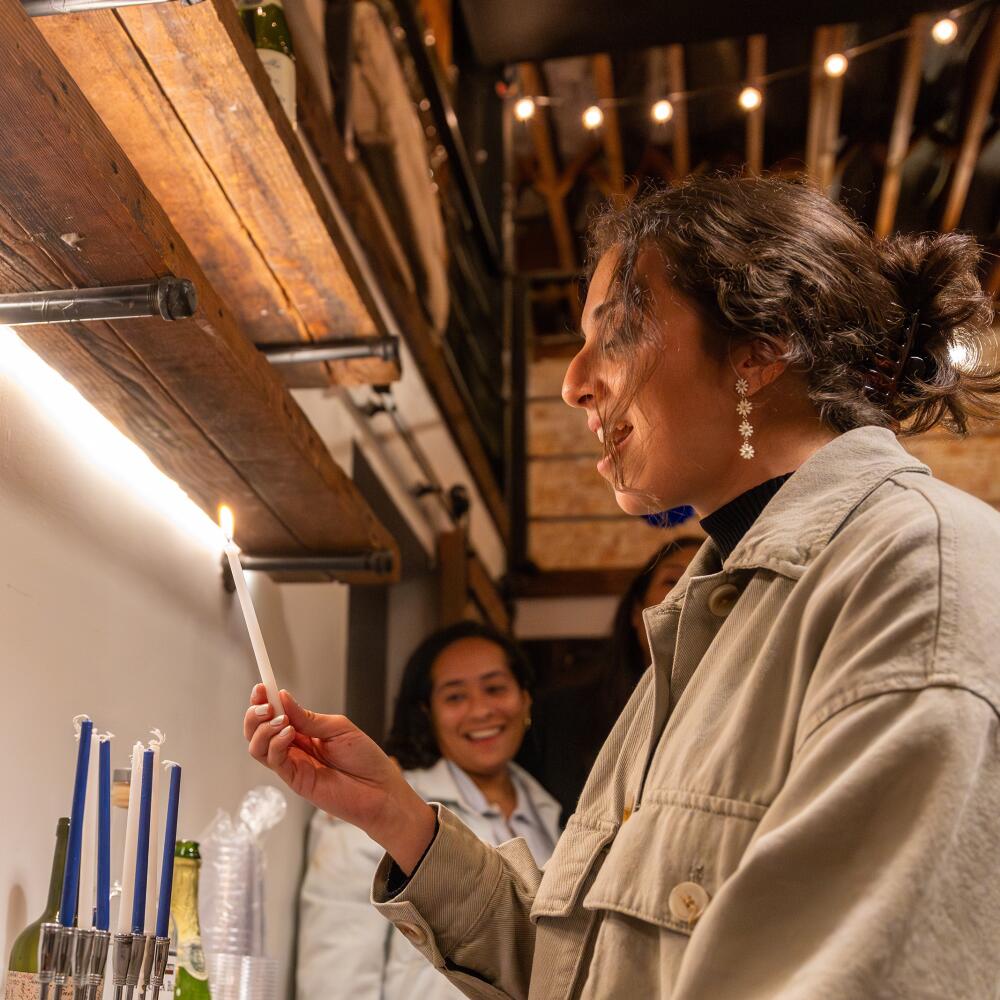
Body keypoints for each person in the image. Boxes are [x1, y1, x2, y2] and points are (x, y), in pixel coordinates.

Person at [245, 174, 1000, 999]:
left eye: (617, 332)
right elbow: (587, 974)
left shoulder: (912, 569)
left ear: (762, 344)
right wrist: (401, 820)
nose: (573, 381)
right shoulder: (706, 625)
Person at [295, 620, 560, 1000]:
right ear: (427, 712)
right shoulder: (378, 806)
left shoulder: (556, 816)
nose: (481, 710)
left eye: (495, 688)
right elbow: (337, 976)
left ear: (525, 698)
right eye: (455, 697)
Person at [519, 538, 700, 823]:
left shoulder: (756, 714)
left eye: (707, 579)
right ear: (635, 613)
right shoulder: (556, 717)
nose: (689, 591)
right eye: (672, 580)